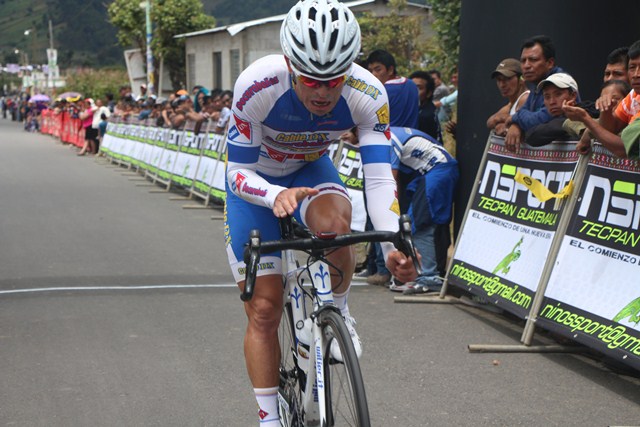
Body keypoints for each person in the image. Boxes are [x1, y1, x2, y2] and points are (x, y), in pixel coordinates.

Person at [223, 1, 418, 424]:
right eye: (311, 80)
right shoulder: (257, 84)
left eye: (335, 80)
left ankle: (339, 315)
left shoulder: (368, 94)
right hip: (256, 182)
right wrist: (272, 194)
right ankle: (270, 419)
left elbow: (380, 178)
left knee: (336, 226)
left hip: (310, 169)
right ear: (290, 65)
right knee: (264, 309)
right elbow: (236, 172)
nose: (323, 92)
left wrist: (390, 247)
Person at [382, 127, 458, 294]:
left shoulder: (387, 139)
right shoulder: (388, 133)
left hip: (436, 171)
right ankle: (428, 273)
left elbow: (390, 182)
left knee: (420, 223)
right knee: (422, 221)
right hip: (431, 172)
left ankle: (429, 277)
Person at [568, 39, 640, 157]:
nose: (637, 74)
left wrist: (586, 120)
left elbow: (623, 149)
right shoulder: (633, 95)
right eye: (632, 67)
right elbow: (609, 130)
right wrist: (606, 110)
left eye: (617, 74)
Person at [504, 35, 568, 152]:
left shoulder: (561, 82)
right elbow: (524, 111)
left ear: (550, 63)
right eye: (523, 61)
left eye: (533, 60)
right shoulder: (536, 84)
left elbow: (542, 119)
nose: (526, 66)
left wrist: (515, 118)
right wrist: (516, 125)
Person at [524, 72, 586, 147]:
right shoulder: (551, 120)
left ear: (573, 95)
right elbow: (531, 136)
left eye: (558, 94)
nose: (552, 102)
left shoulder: (589, 113)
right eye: (547, 97)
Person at [366, 49, 419, 128]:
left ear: (390, 70)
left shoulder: (380, 92)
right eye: (370, 71)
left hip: (388, 138)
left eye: (378, 70)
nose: (373, 74)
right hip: (411, 136)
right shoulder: (411, 85)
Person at [486, 58, 530, 136]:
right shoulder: (511, 104)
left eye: (508, 79)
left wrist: (505, 124)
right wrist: (502, 122)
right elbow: (490, 122)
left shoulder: (525, 98)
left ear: (522, 79)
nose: (502, 85)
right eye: (499, 80)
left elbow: (524, 123)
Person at [409, 70, 442, 141]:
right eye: (411, 87)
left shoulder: (424, 116)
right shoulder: (428, 108)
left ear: (429, 93)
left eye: (419, 88)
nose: (413, 91)